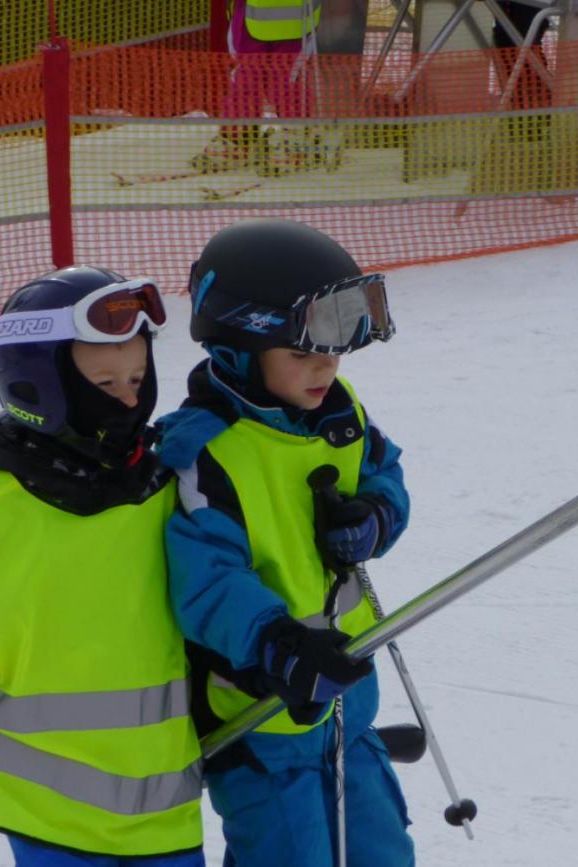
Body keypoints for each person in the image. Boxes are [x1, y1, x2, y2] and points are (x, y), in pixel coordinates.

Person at [0, 265, 206, 867]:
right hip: (39, 805)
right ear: (39, 387)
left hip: (161, 804)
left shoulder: (165, 486)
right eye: (105, 382)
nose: (131, 398)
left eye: (138, 377)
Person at [160, 219, 415, 867]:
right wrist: (277, 644)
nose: (324, 369)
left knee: (382, 852)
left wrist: (375, 516)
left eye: (332, 354)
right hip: (263, 713)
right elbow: (206, 582)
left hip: (346, 707)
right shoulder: (203, 451)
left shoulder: (340, 413)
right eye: (302, 355)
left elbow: (387, 474)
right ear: (239, 349)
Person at [193, 0, 326, 177]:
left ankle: (298, 138)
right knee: (247, 76)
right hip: (251, 16)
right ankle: (239, 137)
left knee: (288, 78)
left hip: (296, 19)